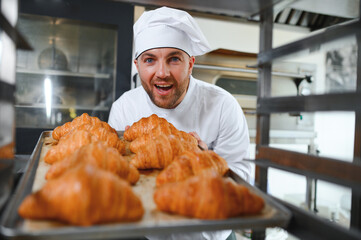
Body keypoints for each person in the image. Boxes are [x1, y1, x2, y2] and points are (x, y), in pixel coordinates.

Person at [108, 6, 251, 240]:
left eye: (174, 59)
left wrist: (209, 163)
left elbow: (242, 182)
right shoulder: (125, 108)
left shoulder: (223, 106)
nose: (162, 72)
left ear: (191, 64)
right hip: (147, 233)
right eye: (150, 60)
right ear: (137, 66)